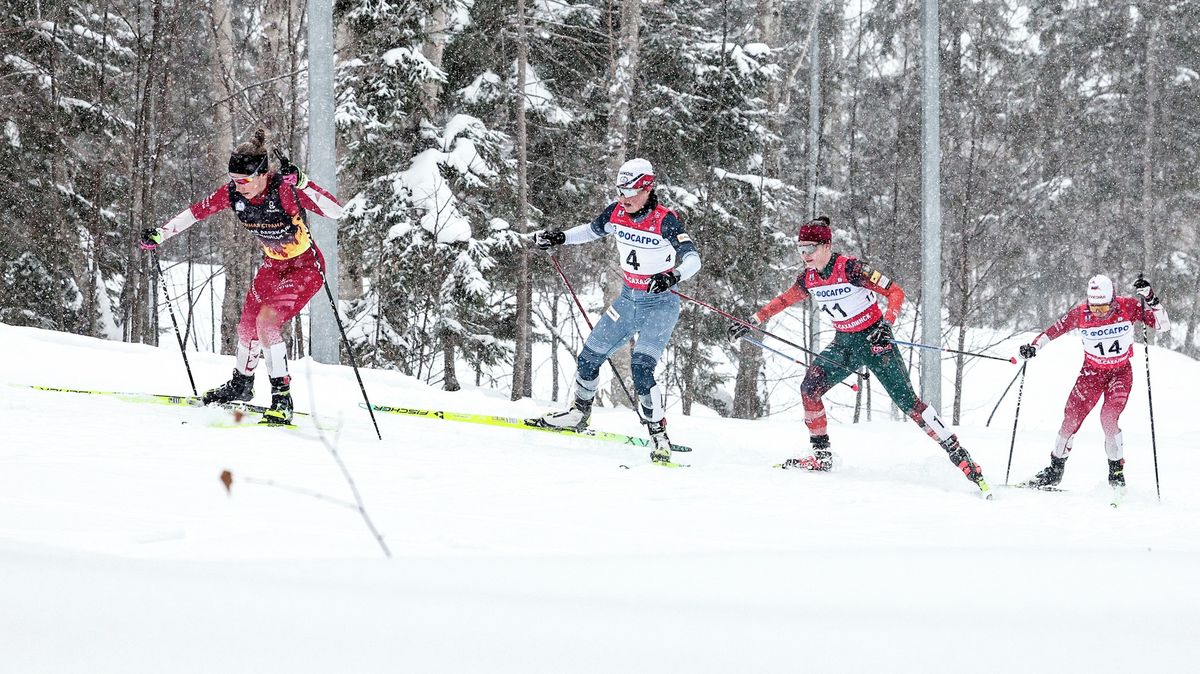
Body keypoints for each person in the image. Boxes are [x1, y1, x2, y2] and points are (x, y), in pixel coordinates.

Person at [728, 216, 991, 497]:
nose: (805, 255)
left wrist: (886, 324)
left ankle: (962, 457)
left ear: (827, 246)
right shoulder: (809, 278)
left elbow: (895, 291)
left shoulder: (851, 268)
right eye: (801, 249)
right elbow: (784, 300)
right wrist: (752, 320)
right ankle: (821, 457)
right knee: (809, 389)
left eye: (811, 248)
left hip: (875, 341)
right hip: (844, 344)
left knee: (908, 403)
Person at [139, 128, 343, 424]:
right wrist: (161, 234)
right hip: (273, 266)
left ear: (263, 174)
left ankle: (282, 397)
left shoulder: (283, 189)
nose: (240, 186)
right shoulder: (233, 194)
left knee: (267, 323)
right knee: (247, 325)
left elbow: (336, 211)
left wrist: (303, 183)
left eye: (245, 180)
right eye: (234, 180)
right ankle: (242, 384)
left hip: (305, 267)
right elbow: (196, 212)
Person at [530, 158, 702, 463]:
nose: (624, 198)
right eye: (620, 191)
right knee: (588, 358)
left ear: (647, 188)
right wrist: (561, 236)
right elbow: (591, 231)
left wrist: (672, 276)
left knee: (641, 368)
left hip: (660, 304)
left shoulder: (666, 220)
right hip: (627, 300)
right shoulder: (616, 212)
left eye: (631, 192)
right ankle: (578, 413)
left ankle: (659, 435)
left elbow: (693, 259)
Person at [1018, 274, 1169, 491]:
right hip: (1091, 375)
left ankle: (1116, 473)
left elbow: (1163, 326)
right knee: (1070, 419)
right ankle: (1054, 470)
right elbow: (1053, 331)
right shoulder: (1081, 313)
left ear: (1113, 300)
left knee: (1108, 418)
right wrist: (1034, 347)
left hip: (1120, 374)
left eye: (1104, 307)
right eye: (1094, 307)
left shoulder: (1127, 307)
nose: (1098, 312)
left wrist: (1151, 298)